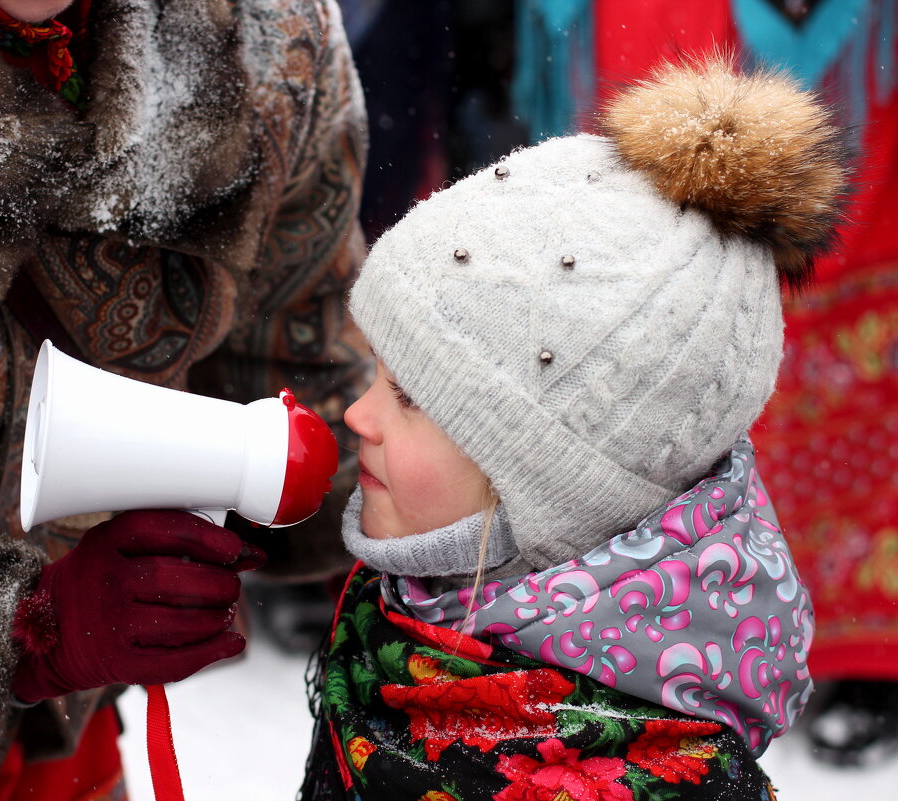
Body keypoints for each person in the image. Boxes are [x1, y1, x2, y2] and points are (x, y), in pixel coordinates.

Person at [0, 0, 368, 798]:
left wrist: (445, 516)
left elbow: (310, 371)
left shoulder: (266, 38)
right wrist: (24, 628)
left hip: (63, 750)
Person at [299, 58, 847, 800]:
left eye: (409, 396)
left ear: (550, 496)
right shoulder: (409, 598)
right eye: (375, 372)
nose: (357, 413)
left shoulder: (659, 780)